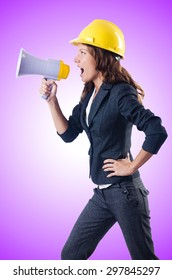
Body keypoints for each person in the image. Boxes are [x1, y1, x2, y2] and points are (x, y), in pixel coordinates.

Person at [39, 19, 168, 260]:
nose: (75, 59)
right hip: (102, 194)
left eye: (82, 52)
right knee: (70, 255)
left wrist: (131, 165)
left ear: (100, 56)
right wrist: (51, 101)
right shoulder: (89, 92)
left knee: (145, 263)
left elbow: (156, 131)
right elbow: (68, 134)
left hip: (125, 193)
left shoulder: (121, 92)